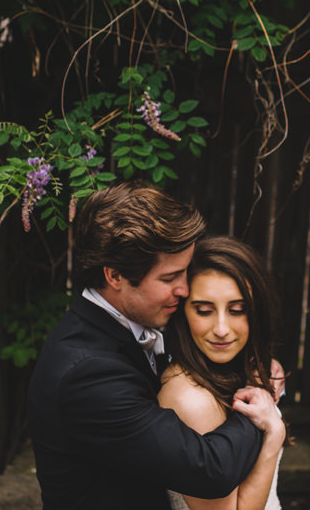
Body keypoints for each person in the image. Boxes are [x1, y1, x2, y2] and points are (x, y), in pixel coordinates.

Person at [28, 182, 285, 509]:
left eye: (186, 273)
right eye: (170, 278)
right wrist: (258, 402)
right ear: (116, 276)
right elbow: (210, 470)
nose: (184, 288)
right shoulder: (88, 372)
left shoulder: (138, 323)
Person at [159, 236, 285, 510]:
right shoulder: (192, 401)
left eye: (237, 310)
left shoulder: (245, 367)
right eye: (203, 310)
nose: (221, 328)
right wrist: (274, 433)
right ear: (183, 312)